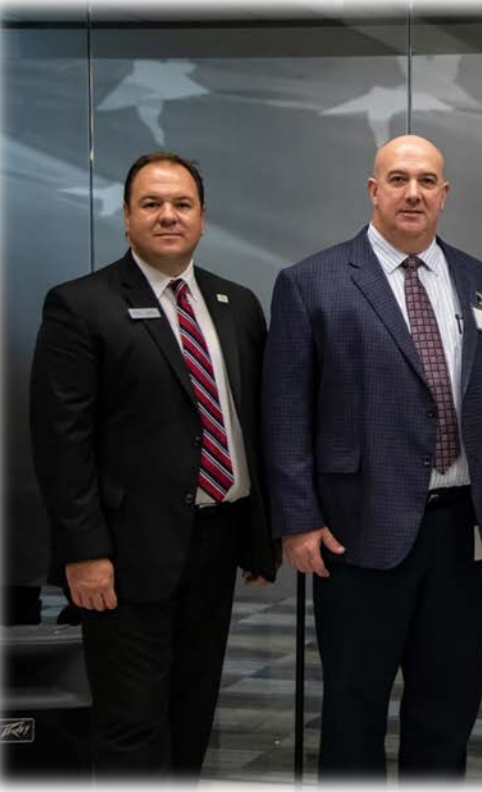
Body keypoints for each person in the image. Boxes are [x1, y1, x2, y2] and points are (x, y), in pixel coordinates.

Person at [262, 134, 482, 780]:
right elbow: (285, 414)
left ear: (446, 194)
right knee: (354, 710)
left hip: (461, 534)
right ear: (373, 190)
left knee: (447, 709)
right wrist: (297, 518)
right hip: (356, 533)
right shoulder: (313, 284)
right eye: (397, 179)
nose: (412, 192)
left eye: (426, 180)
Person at [29, 151, 277, 777]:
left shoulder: (237, 303)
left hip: (218, 541)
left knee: (193, 710)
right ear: (126, 217)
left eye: (182, 204)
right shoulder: (80, 306)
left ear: (201, 217)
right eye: (152, 203)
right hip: (122, 554)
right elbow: (62, 444)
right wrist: (82, 552)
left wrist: (258, 538)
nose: (168, 215)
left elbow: (255, 423)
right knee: (130, 721)